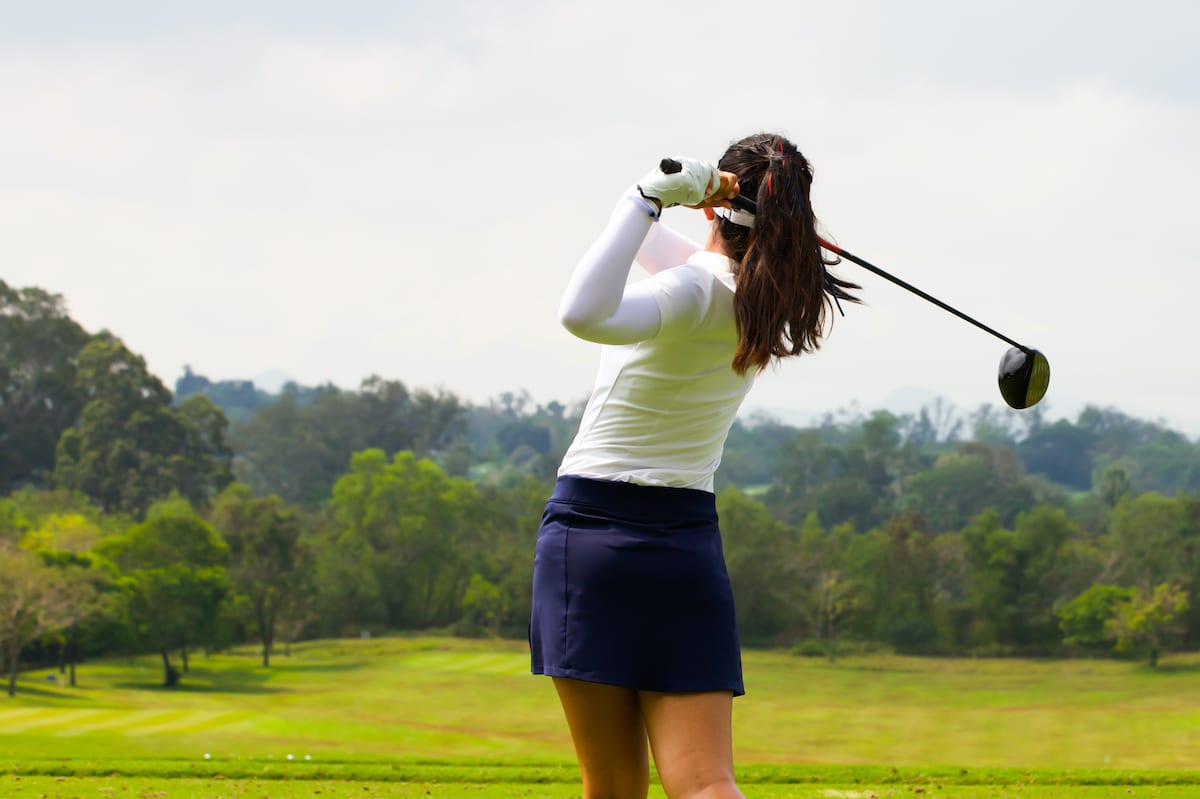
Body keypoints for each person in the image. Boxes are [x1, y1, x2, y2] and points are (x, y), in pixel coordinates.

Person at [529, 133, 860, 799]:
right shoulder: (766, 303)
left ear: (716, 207)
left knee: (615, 787)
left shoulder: (688, 292)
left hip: (593, 536)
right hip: (685, 546)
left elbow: (582, 311)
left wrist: (650, 195)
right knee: (707, 782)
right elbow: (660, 249)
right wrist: (677, 205)